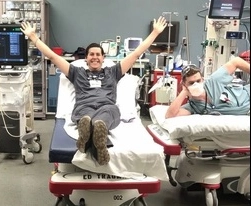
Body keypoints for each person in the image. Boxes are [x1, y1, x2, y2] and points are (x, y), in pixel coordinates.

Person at [21, 17, 167, 165]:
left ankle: (93, 134)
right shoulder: (77, 72)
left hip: (107, 107)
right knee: (86, 117)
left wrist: (155, 33)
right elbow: (52, 56)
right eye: (92, 54)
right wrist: (33, 37)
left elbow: (136, 54)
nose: (95, 57)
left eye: (98, 55)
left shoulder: (113, 71)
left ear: (104, 58)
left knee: (106, 115)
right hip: (84, 106)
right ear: (86, 58)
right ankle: (92, 134)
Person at [165, 57, 250, 119]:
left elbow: (236, 61)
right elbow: (170, 115)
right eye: (191, 83)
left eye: (198, 81)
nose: (195, 84)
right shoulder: (193, 106)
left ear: (202, 79)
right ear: (184, 84)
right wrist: (184, 92)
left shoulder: (214, 81)